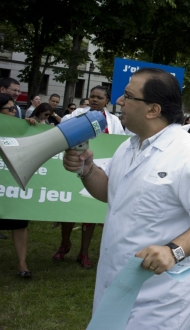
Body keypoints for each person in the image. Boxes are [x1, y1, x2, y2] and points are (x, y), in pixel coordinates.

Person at [61, 68, 190, 329]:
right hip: (116, 281)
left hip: (161, 296)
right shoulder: (128, 146)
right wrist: (87, 169)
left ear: (153, 110)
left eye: (128, 96)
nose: (118, 100)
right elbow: (110, 192)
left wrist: (173, 251)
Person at [52, 86, 126, 269]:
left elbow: (119, 143)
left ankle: (83, 253)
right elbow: (59, 131)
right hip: (75, 167)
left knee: (90, 213)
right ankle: (65, 243)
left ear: (106, 101)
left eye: (99, 97)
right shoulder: (76, 115)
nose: (94, 99)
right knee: (70, 210)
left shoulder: (114, 121)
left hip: (99, 171)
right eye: (92, 96)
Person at [0, 93, 36, 277]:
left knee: (19, 223)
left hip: (11, 186)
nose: (14, 111)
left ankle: (23, 264)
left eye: (14, 108)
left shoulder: (19, 126)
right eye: (10, 109)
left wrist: (29, 128)